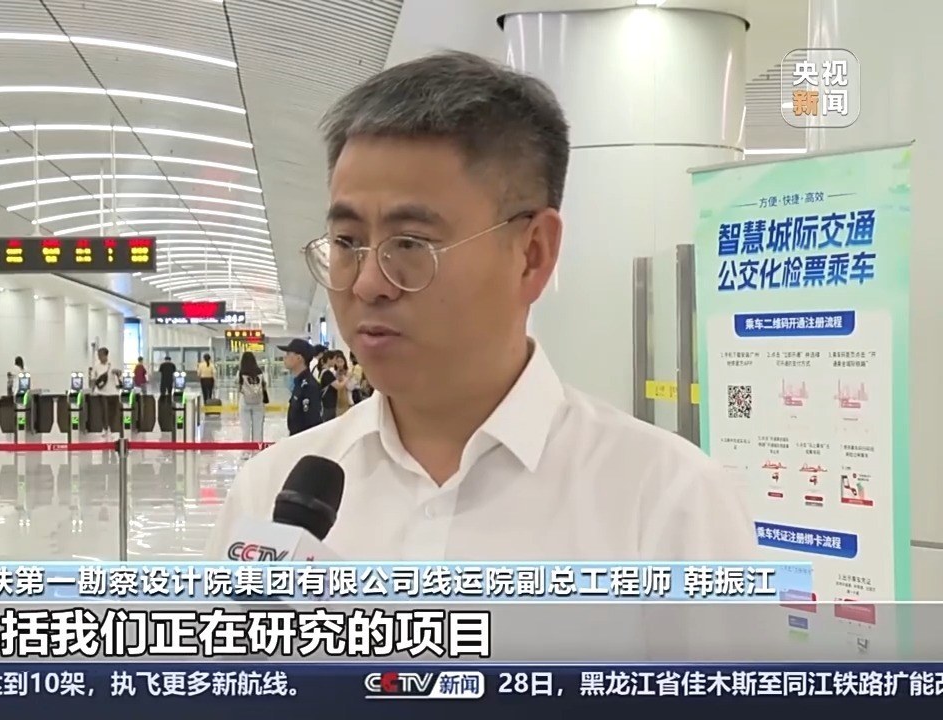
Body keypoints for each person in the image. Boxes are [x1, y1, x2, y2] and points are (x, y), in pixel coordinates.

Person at [207, 51, 757, 561]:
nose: (369, 283)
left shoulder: (666, 505)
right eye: (347, 242)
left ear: (532, 254)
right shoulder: (269, 497)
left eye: (411, 244)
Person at [278, 338, 321, 436]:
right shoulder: (299, 383)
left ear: (299, 358)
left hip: (304, 441)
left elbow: (312, 423)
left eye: (288, 354)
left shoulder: (309, 386)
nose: (285, 357)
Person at [236, 352, 268, 443]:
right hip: (258, 402)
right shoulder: (260, 372)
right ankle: (257, 448)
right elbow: (265, 385)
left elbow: (238, 386)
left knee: (245, 429)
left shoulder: (240, 373)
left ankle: (246, 449)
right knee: (258, 429)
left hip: (244, 402)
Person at [318, 351, 341, 422]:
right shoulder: (327, 373)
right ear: (329, 359)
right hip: (329, 403)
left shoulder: (323, 371)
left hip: (326, 402)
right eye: (334, 359)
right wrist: (347, 379)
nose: (335, 362)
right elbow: (338, 386)